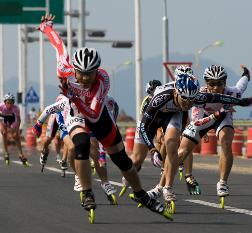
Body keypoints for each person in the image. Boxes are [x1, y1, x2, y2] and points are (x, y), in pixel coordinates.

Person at [37, 14, 172, 221]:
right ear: (75, 69)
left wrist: (74, 96)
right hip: (76, 114)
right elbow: (58, 45)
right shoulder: (64, 69)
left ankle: (141, 194)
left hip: (97, 114)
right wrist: (46, 27)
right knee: (80, 145)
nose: (84, 78)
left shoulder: (103, 79)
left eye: (89, 74)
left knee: (122, 160)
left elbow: (94, 112)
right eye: (81, 74)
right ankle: (87, 192)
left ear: (95, 72)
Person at [134, 72, 252, 213]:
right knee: (181, 151)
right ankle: (160, 187)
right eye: (211, 84)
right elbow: (144, 127)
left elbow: (229, 93)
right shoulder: (161, 98)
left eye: (191, 101)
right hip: (192, 117)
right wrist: (152, 149)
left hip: (215, 116)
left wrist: (241, 101)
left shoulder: (197, 97)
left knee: (176, 144)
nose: (188, 104)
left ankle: (170, 187)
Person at [178, 64, 250, 197]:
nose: (216, 87)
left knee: (226, 143)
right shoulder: (199, 94)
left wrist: (246, 73)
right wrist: (211, 119)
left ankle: (222, 183)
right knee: (182, 151)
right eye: (212, 84)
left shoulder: (233, 92)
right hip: (204, 117)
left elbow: (242, 84)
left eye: (220, 83)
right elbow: (196, 123)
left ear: (225, 82)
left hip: (223, 118)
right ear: (206, 83)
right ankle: (162, 185)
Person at [0, 93, 28, 166]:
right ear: (5, 102)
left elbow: (19, 120)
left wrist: (17, 131)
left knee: (16, 136)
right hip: (2, 120)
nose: (10, 105)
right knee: (4, 132)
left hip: (12, 121)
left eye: (11, 102)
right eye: (8, 103)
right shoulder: (1, 106)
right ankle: (6, 152)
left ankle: (21, 154)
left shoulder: (15, 108)